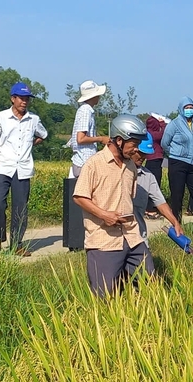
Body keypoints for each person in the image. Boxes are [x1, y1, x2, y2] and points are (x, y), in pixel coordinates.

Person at [72, 114, 149, 297]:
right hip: (104, 240)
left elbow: (129, 196)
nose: (136, 149)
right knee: (104, 296)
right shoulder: (94, 164)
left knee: (151, 283)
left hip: (132, 236)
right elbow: (79, 197)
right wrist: (104, 214)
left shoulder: (131, 166)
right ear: (120, 140)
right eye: (133, 144)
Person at [0, 82, 48, 257]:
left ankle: (17, 244)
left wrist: (31, 145)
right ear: (13, 99)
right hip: (4, 166)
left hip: (23, 168)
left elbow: (43, 134)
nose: (24, 102)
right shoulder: (1, 117)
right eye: (21, 98)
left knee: (20, 207)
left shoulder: (33, 119)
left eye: (27, 99)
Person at [131, 135, 183, 268]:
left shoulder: (148, 176)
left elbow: (160, 202)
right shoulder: (116, 172)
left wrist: (174, 222)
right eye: (141, 153)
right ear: (133, 149)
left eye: (146, 154)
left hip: (138, 237)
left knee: (147, 274)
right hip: (116, 238)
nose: (143, 158)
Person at [161, 96, 193, 224]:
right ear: (181, 109)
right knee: (177, 195)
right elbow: (165, 143)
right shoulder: (174, 124)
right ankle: (176, 224)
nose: (189, 110)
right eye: (187, 108)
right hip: (178, 163)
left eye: (191, 108)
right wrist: (175, 153)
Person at [69, 80, 109, 178]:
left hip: (84, 161)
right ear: (93, 96)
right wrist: (100, 139)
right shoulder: (86, 111)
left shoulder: (86, 110)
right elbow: (81, 139)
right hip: (84, 162)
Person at [143, 113, 168, 219]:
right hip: (154, 161)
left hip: (152, 161)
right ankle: (150, 210)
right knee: (154, 185)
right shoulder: (153, 134)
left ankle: (150, 208)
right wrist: (163, 124)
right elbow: (164, 134)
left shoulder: (147, 132)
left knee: (152, 184)